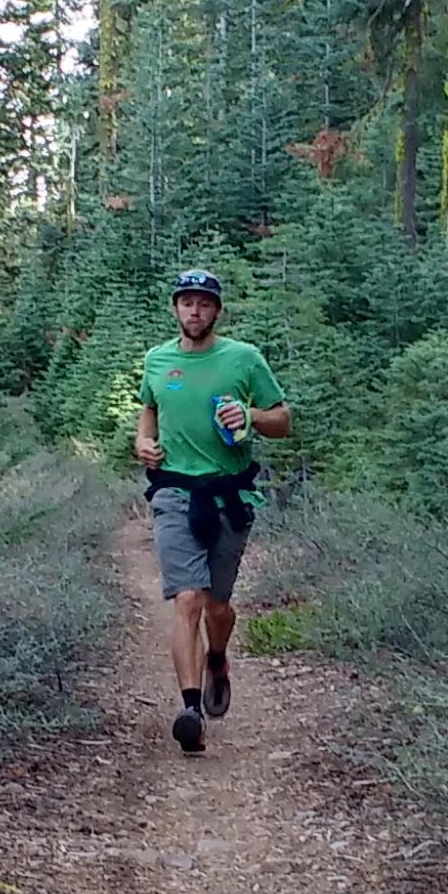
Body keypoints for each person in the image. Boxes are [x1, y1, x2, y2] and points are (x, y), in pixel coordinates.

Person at [134, 269, 290, 752]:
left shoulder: (244, 359)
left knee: (218, 607)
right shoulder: (158, 360)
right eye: (187, 303)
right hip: (174, 492)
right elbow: (150, 411)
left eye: (204, 303)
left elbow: (282, 420)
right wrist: (143, 441)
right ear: (175, 308)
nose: (195, 311)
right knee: (188, 600)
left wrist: (250, 417)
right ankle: (190, 709)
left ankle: (217, 656)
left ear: (217, 311)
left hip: (229, 496)